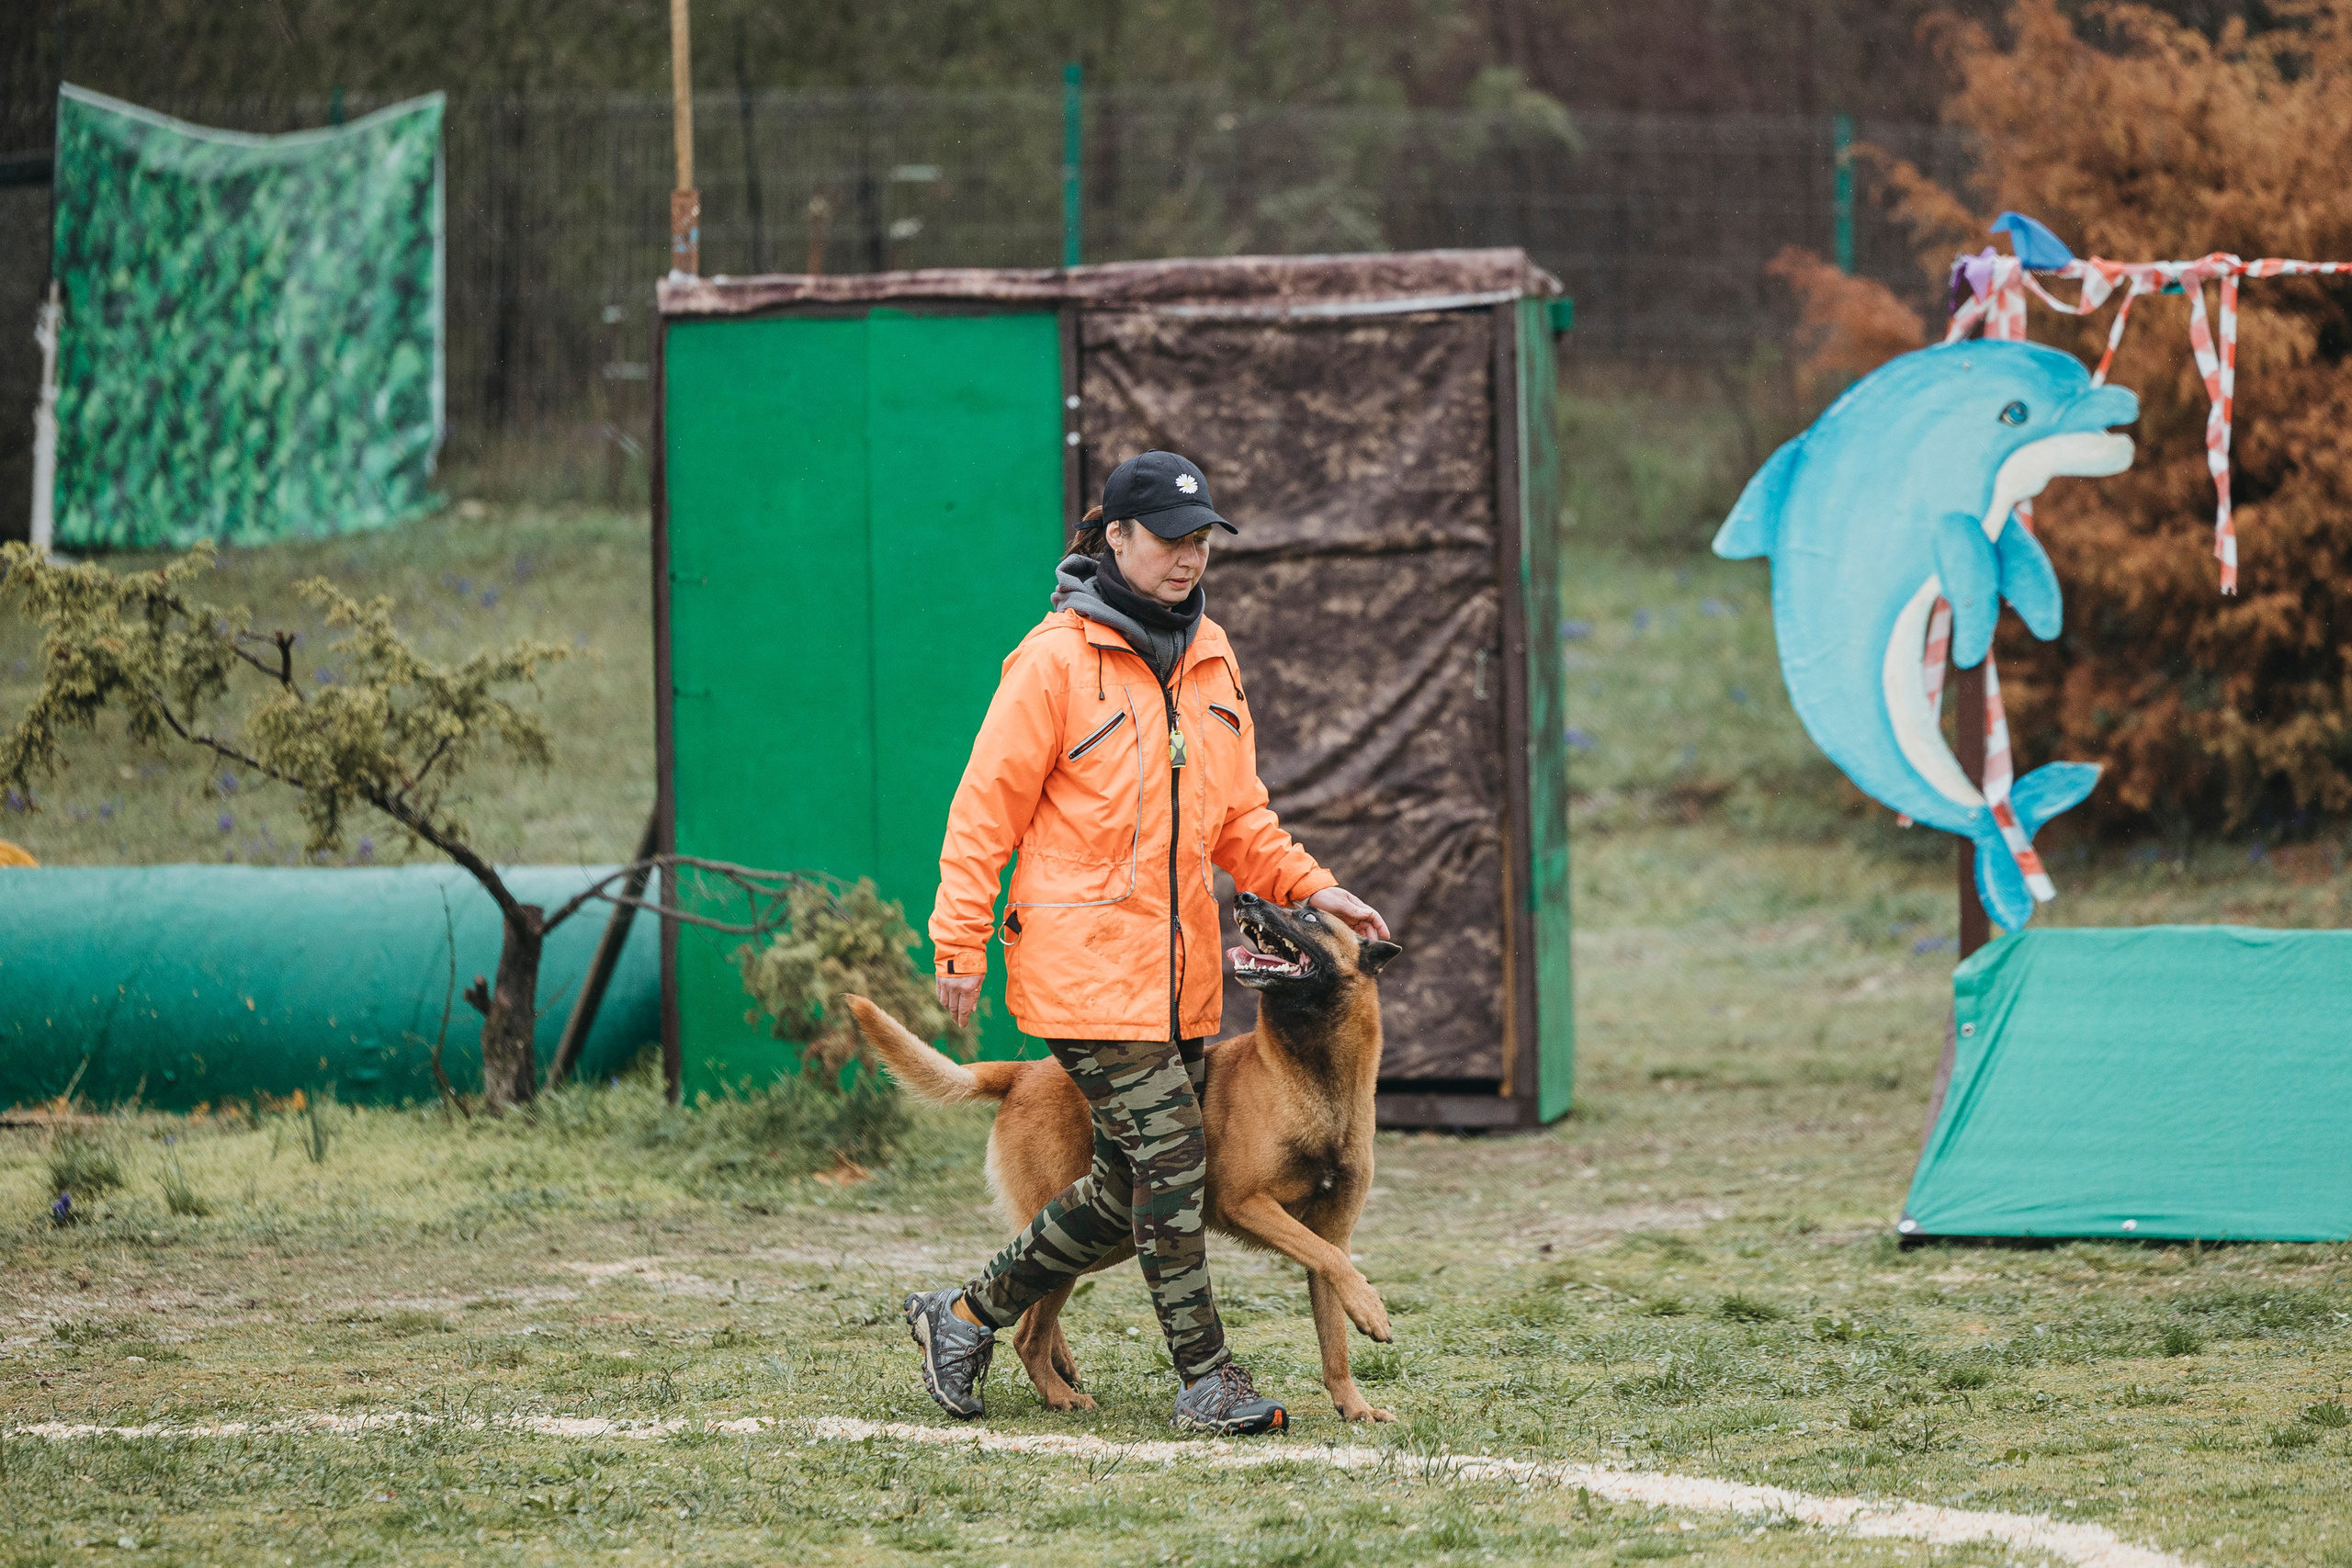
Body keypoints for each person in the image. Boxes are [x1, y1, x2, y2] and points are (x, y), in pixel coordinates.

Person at [902, 450, 1390, 1435]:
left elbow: (1238, 820)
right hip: (1079, 974)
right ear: (1113, 537)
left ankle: (961, 1318)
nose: (1187, 558)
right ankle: (1207, 1380)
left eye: (1201, 540)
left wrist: (1317, 887)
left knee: (1124, 1188)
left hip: (1177, 988)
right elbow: (980, 814)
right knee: (1172, 1169)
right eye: (1169, 540)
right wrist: (957, 941)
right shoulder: (1053, 662)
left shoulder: (1209, 658)